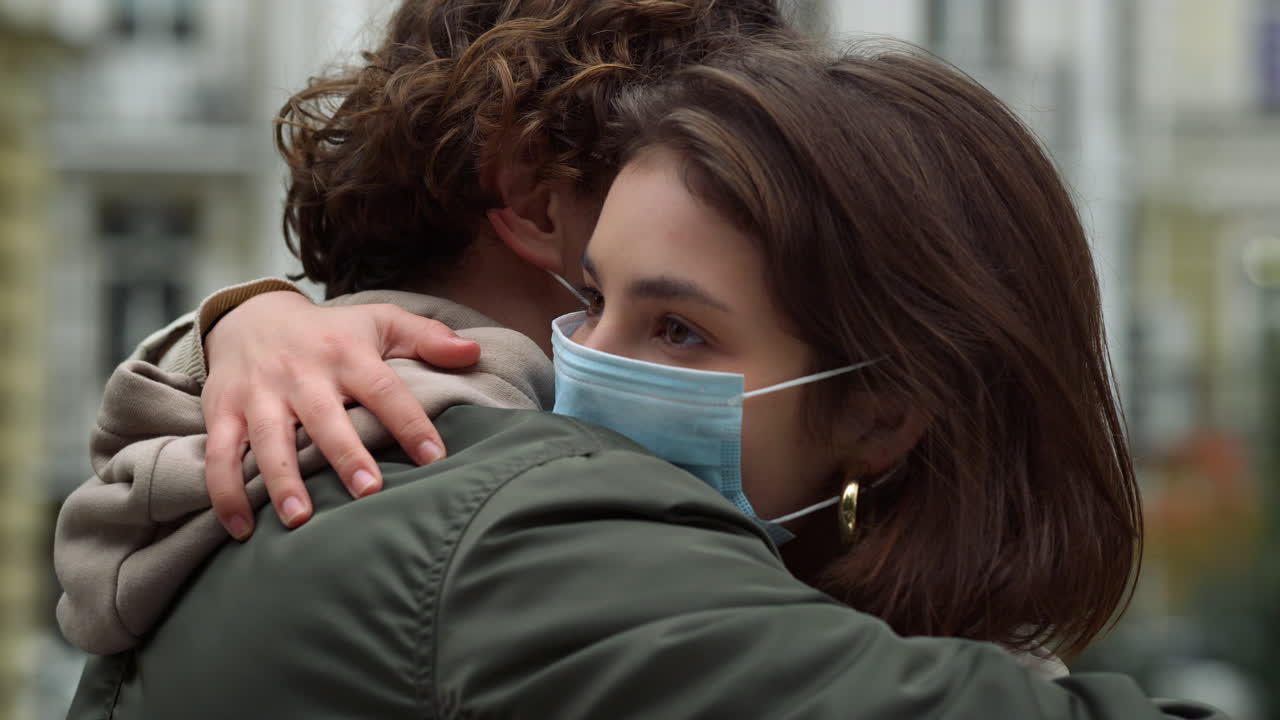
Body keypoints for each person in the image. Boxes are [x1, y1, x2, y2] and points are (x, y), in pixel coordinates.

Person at [63, 30, 1222, 720]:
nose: (589, 369)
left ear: (882, 411)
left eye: (675, 330)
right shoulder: (517, 524)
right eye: (592, 300)